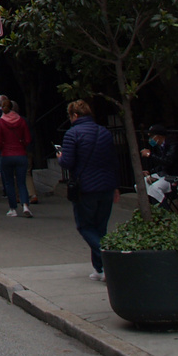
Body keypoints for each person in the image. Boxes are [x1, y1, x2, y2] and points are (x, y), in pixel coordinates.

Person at [60, 99, 120, 281]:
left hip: (85, 187)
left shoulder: (72, 134)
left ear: (75, 115)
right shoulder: (104, 132)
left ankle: (106, 258)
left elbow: (68, 162)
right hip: (106, 186)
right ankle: (100, 269)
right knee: (100, 227)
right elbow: (112, 160)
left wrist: (60, 156)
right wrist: (115, 186)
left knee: (85, 226)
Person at [0, 96, 33, 217]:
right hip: (20, 153)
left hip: (6, 154)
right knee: (22, 182)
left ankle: (12, 208)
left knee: (9, 182)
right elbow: (27, 139)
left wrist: (3, 147)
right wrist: (21, 145)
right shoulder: (21, 121)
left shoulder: (0, 122)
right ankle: (25, 205)